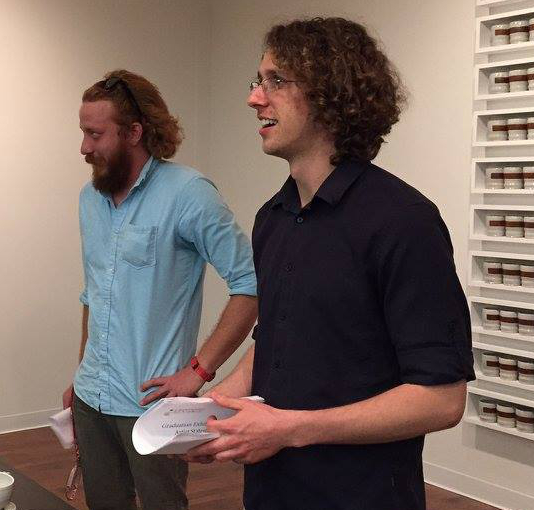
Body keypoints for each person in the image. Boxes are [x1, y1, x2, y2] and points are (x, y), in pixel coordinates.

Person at [186, 17, 475, 510]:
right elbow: (276, 340)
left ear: (329, 95)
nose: (254, 98)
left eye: (276, 81)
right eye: (258, 81)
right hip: (271, 491)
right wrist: (214, 412)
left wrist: (289, 429)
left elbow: (442, 399)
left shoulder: (404, 222)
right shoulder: (272, 218)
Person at [65, 69, 258, 510]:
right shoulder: (89, 199)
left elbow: (250, 285)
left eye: (95, 134)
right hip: (92, 398)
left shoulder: (190, 193)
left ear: (134, 132)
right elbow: (93, 294)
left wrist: (199, 371)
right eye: (83, 132)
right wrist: (80, 375)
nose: (84, 147)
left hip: (152, 406)